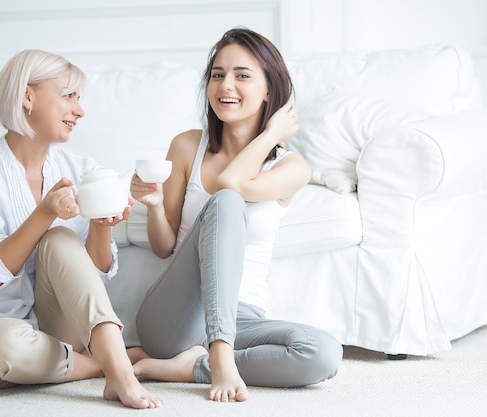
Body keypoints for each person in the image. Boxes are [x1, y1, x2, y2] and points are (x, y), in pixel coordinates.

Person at [130, 28, 343, 402]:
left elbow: (231, 182)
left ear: (269, 90)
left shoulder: (292, 168)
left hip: (242, 317)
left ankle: (193, 367)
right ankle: (220, 357)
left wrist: (270, 133)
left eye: (242, 75)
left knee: (323, 352)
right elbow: (164, 248)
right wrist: (155, 207)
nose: (225, 85)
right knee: (226, 203)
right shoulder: (186, 146)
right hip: (174, 319)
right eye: (217, 74)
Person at [0, 49, 163, 409]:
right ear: (27, 96)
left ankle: (119, 372)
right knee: (6, 347)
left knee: (60, 239)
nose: (79, 110)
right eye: (68, 96)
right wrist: (45, 211)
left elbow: (94, 276)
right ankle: (102, 364)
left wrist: (101, 226)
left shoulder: (83, 168)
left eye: (79, 98)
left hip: (59, 330)